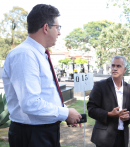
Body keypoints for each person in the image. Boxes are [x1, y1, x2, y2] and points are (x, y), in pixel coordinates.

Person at [2, 4, 82, 147]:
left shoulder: (39, 54)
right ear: (46, 28)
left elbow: (47, 93)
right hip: (32, 135)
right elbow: (30, 103)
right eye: (58, 28)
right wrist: (65, 113)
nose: (59, 33)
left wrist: (65, 115)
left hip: (43, 132)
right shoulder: (25, 54)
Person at [87, 55, 130, 147]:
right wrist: (109, 114)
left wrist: (129, 116)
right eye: (113, 65)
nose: (115, 68)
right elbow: (91, 110)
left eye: (118, 66)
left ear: (124, 69)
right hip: (104, 138)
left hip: (122, 137)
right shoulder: (100, 86)